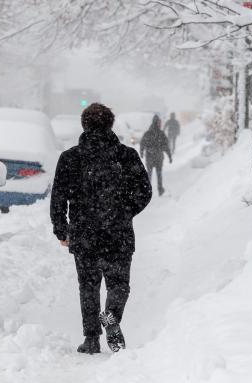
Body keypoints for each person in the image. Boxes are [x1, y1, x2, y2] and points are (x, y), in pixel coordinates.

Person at [50, 103, 152, 354]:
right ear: (110, 125)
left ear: (84, 125)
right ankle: (112, 315)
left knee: (88, 285)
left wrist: (61, 229)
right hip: (118, 233)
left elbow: (58, 196)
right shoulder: (126, 156)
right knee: (119, 283)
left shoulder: (70, 158)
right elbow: (145, 191)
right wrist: (125, 211)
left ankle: (92, 339)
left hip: (84, 233)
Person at [140, 115, 172, 196]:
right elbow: (166, 146)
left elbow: (142, 144)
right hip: (158, 158)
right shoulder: (161, 134)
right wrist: (169, 155)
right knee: (158, 174)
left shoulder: (148, 133)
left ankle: (147, 191)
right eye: (159, 122)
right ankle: (160, 189)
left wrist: (142, 152)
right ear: (156, 122)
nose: (160, 124)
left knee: (150, 175)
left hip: (150, 158)